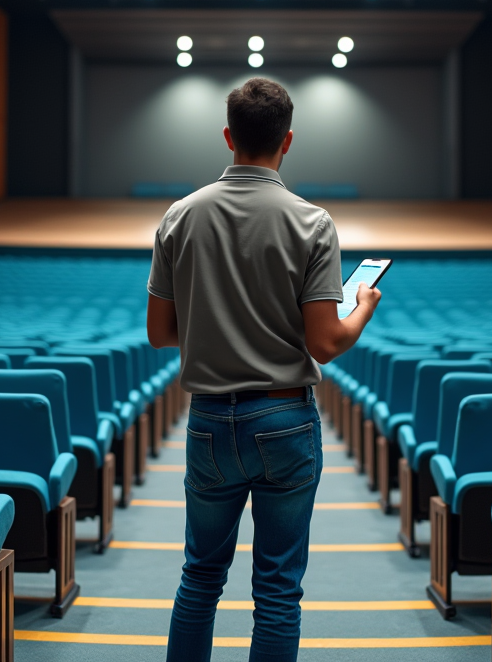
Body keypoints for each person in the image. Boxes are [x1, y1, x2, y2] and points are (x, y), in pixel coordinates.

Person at [146, 77, 382, 662]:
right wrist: (362, 312)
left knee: (199, 577)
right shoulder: (313, 223)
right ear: (288, 141)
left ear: (228, 136)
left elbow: (159, 334)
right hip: (285, 422)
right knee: (278, 590)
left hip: (207, 424)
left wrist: (214, 323)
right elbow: (324, 344)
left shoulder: (180, 216)